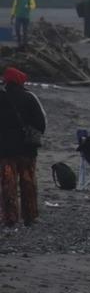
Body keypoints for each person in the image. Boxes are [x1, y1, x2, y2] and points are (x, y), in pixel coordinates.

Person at [0, 67, 46, 227]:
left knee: (8, 185)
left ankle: (10, 218)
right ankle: (30, 217)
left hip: (5, 150)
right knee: (28, 184)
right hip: (27, 150)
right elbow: (41, 123)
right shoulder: (30, 97)